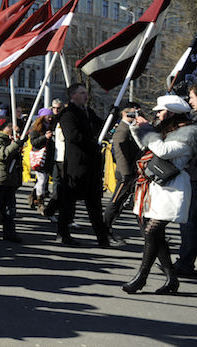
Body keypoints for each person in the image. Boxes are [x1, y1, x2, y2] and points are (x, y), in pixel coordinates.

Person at [123, 94, 195, 294]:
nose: (157, 114)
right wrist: (136, 127)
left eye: (161, 111)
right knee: (156, 234)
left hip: (173, 190)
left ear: (171, 113)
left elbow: (162, 150)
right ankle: (171, 279)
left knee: (151, 232)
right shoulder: (169, 130)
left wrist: (147, 128)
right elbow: (147, 147)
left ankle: (141, 277)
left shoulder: (189, 132)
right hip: (157, 187)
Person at [54, 83, 116, 247]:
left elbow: (101, 127)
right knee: (69, 202)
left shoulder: (88, 112)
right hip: (76, 165)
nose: (85, 95)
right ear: (73, 95)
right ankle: (63, 233)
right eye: (81, 93)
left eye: (85, 92)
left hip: (91, 165)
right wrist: (93, 145)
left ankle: (102, 238)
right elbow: (73, 136)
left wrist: (112, 115)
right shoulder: (68, 114)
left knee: (94, 203)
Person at [103, 102, 142, 238]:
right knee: (116, 202)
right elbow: (120, 154)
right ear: (125, 113)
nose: (136, 114)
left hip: (132, 172)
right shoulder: (122, 129)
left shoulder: (130, 128)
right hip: (125, 173)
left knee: (135, 204)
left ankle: (150, 234)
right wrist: (126, 174)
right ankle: (105, 229)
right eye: (134, 112)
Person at [175, 85, 197, 276]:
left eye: (192, 97)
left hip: (194, 176)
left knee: (189, 222)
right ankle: (185, 260)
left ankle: (185, 263)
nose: (189, 101)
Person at [28, 108, 55, 214]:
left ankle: (33, 195)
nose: (50, 118)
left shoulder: (52, 126)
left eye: (51, 116)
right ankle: (40, 202)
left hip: (48, 157)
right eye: (48, 116)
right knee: (42, 179)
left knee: (43, 179)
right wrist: (45, 137)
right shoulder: (35, 128)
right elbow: (34, 142)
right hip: (39, 157)